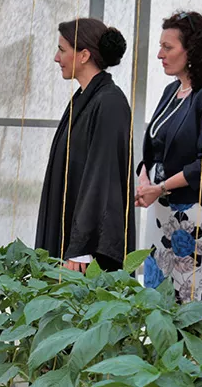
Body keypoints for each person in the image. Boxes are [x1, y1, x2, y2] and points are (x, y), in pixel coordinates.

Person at [136, 11, 202, 303]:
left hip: (193, 210)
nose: (159, 55)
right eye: (160, 46)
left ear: (191, 50)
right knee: (157, 294)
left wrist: (160, 187)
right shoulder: (172, 91)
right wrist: (144, 178)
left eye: (168, 47)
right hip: (161, 208)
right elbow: (153, 147)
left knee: (188, 298)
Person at [35, 18, 135, 273]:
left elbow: (104, 178)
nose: (57, 58)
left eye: (62, 49)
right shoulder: (84, 99)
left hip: (86, 255)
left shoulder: (109, 102)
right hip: (75, 244)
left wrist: (82, 246)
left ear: (84, 55)